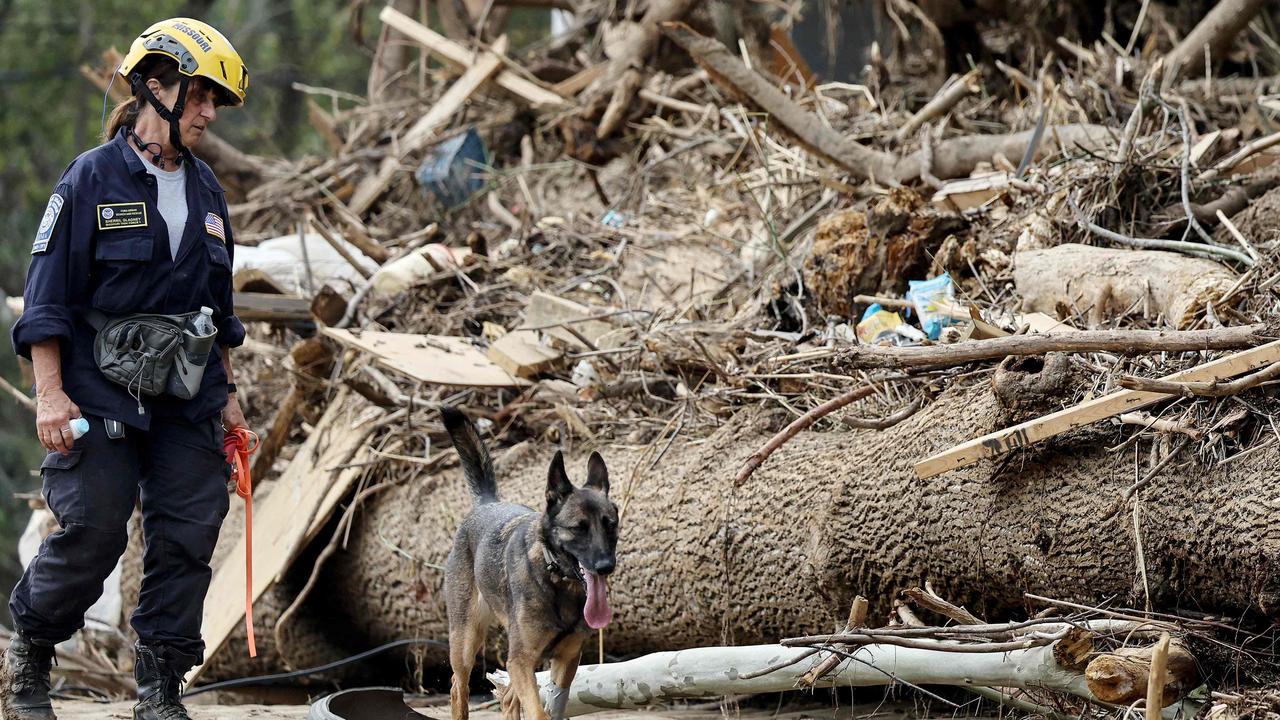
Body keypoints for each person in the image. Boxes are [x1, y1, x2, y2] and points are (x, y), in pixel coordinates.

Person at [3, 18, 251, 720]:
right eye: (200, 96)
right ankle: (31, 651)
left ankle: (160, 687)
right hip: (97, 389)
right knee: (97, 530)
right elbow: (45, 302)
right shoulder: (89, 179)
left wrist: (227, 397)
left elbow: (220, 310)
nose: (208, 113)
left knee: (187, 535)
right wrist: (49, 396)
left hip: (187, 394)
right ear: (154, 86)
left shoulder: (206, 194)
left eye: (214, 103)